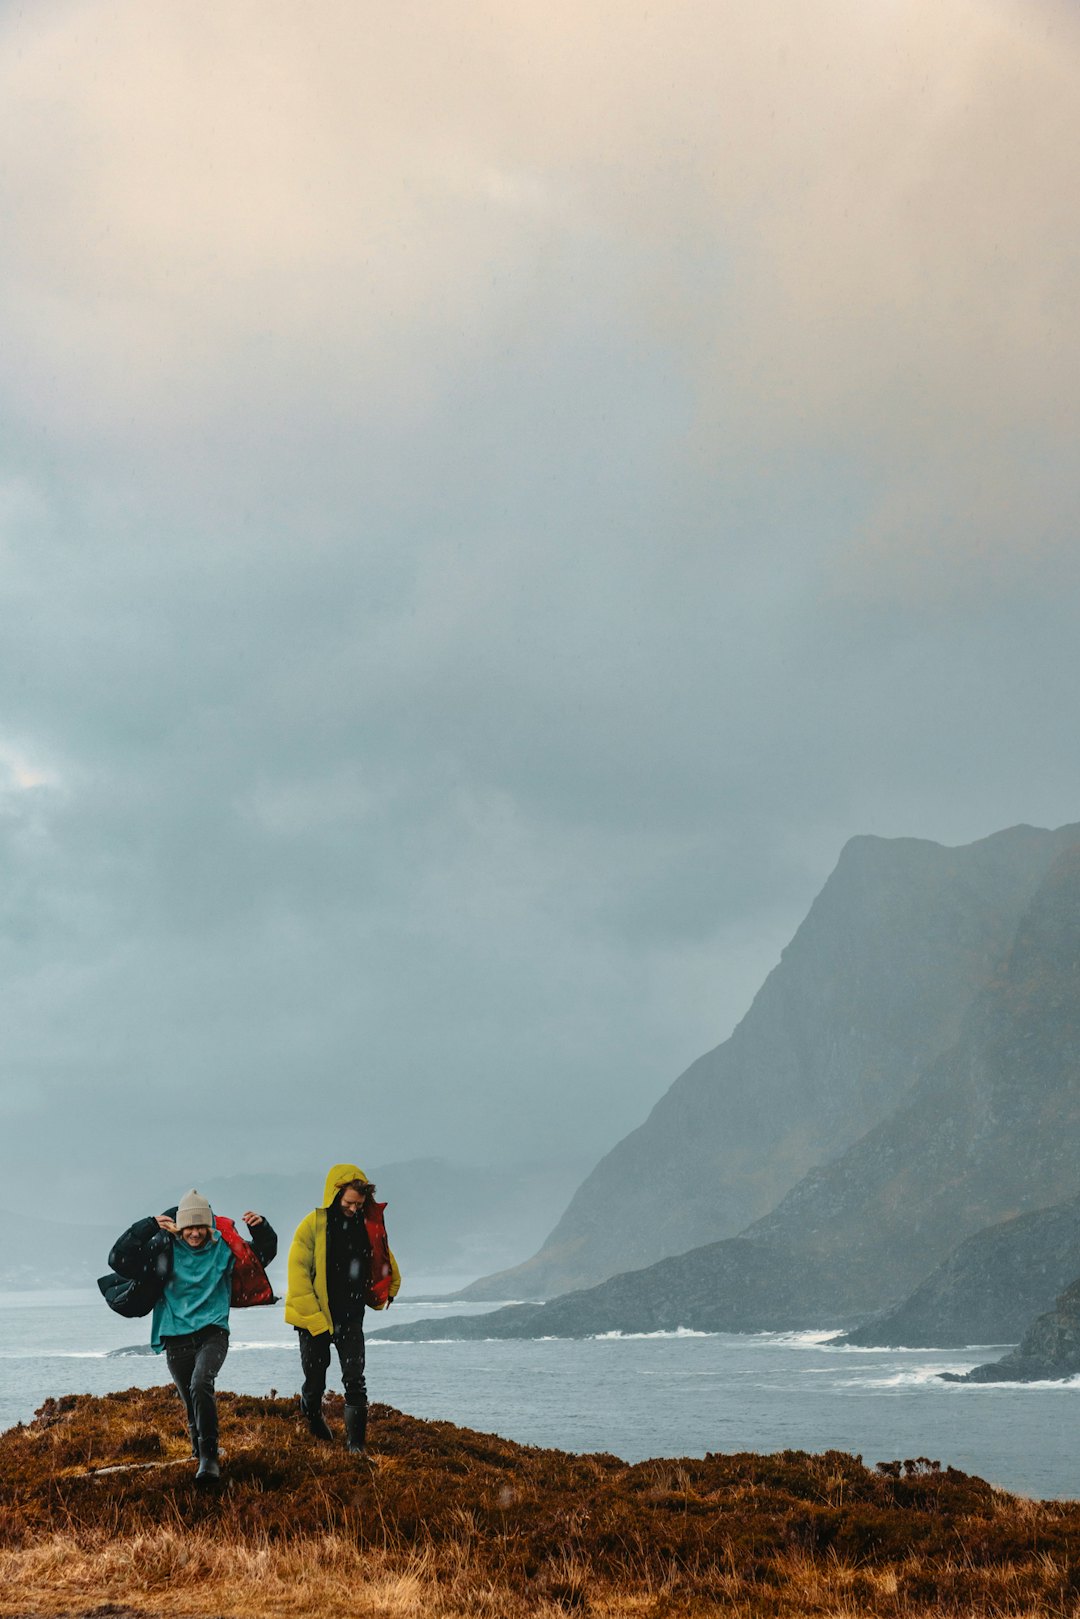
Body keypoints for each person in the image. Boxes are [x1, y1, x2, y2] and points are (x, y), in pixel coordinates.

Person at [101, 1189, 276, 1484]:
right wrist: (145, 1226)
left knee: (201, 1383)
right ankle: (199, 1454)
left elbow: (262, 1257)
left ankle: (210, 1459)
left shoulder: (224, 1248)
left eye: (201, 1227)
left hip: (213, 1331)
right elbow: (118, 1260)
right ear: (180, 1227)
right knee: (189, 1398)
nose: (195, 1233)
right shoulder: (164, 1249)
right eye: (189, 1227)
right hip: (175, 1333)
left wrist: (261, 1229)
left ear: (210, 1226)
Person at [285, 1163, 400, 1454]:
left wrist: (390, 1288)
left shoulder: (367, 1225)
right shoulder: (312, 1225)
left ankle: (356, 1445)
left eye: (359, 1204)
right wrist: (315, 1321)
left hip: (351, 1316)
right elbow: (297, 1275)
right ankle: (311, 1412)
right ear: (335, 1195)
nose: (353, 1208)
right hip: (315, 1317)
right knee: (315, 1378)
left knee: (355, 1378)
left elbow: (382, 1257)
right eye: (349, 1202)